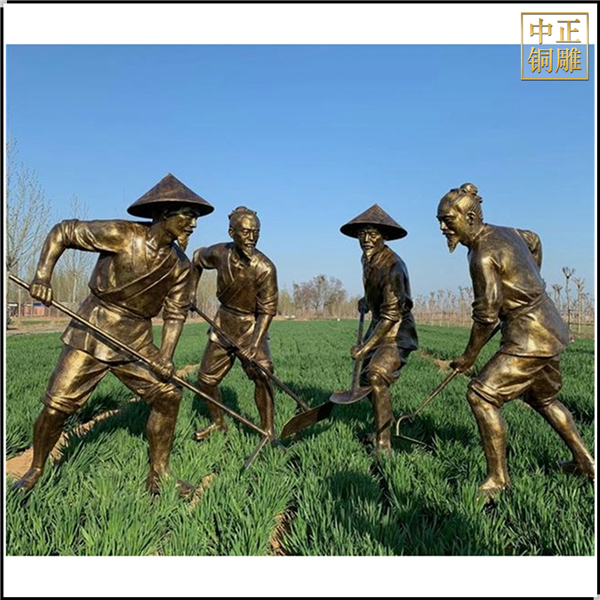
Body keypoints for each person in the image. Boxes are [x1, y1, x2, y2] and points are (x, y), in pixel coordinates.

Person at [12, 173, 214, 495]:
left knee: (168, 395)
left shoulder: (180, 266)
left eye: (195, 218)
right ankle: (36, 469)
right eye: (188, 215)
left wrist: (165, 356)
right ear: (165, 214)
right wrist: (42, 277)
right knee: (56, 406)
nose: (193, 224)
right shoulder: (122, 235)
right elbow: (63, 232)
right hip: (94, 327)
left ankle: (159, 474)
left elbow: (175, 314)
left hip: (136, 339)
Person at [437, 182, 595, 497]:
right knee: (544, 400)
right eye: (440, 221)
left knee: (481, 396)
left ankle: (498, 480)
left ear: (470, 218)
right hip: (551, 327)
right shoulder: (508, 232)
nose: (443, 228)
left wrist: (468, 357)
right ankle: (586, 463)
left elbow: (486, 315)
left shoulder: (481, 255)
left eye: (448, 220)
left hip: (528, 337)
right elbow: (534, 240)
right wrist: (529, 279)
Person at [191, 206, 279, 444]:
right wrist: (191, 291)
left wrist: (254, 344)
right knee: (206, 381)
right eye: (246, 232)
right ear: (232, 233)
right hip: (223, 324)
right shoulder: (220, 253)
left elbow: (267, 310)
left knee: (263, 374)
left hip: (251, 326)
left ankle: (268, 432)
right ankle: (218, 423)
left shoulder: (265, 268)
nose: (252, 237)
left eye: (256, 232)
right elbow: (196, 258)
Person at [340, 204, 418, 458]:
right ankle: (382, 424)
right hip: (379, 323)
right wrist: (367, 300)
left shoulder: (394, 266)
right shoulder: (368, 258)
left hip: (396, 331)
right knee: (365, 381)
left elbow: (391, 315)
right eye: (362, 233)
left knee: (375, 376)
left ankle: (384, 444)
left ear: (383, 236)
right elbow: (377, 293)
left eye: (372, 234)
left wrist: (365, 347)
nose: (366, 239)